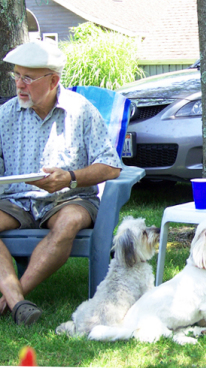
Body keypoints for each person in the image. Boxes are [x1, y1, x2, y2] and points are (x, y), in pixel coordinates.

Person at [0, 40, 122, 325]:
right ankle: (18, 304)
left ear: (53, 80)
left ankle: (10, 301)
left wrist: (70, 177)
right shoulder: (5, 115)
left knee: (68, 223)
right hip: (17, 200)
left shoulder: (81, 111)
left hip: (69, 199)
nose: (19, 84)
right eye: (16, 76)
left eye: (27, 78)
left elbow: (111, 166)